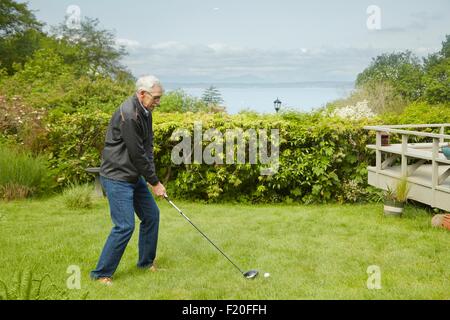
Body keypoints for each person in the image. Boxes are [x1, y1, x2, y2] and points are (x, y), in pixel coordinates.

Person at [90, 75, 166, 285]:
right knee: (124, 226)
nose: (158, 102)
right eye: (156, 98)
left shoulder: (145, 111)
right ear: (142, 94)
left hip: (133, 175)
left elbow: (147, 147)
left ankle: (145, 263)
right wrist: (155, 182)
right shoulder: (129, 114)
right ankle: (101, 274)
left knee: (151, 215)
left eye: (160, 98)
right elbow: (136, 153)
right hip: (117, 177)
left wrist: (151, 177)